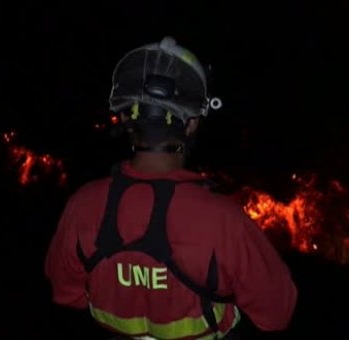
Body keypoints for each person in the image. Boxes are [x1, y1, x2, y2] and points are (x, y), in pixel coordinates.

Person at [44, 37, 297, 340]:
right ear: (192, 124)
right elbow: (277, 312)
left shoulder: (83, 205)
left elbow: (66, 295)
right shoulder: (223, 220)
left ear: (124, 117)